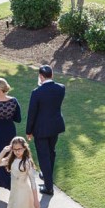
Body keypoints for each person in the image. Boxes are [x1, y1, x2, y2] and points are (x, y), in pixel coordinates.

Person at [26, 65, 65, 197]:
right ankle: (45, 173)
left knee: (44, 156)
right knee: (51, 152)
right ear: (52, 75)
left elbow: (32, 113)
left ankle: (49, 187)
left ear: (41, 77)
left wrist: (29, 131)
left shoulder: (37, 92)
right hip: (55, 127)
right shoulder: (61, 88)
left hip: (41, 129)